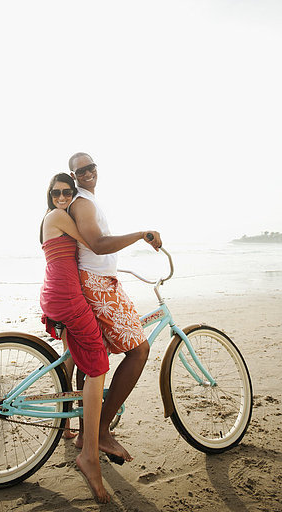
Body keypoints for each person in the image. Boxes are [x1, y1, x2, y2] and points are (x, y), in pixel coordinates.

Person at [68, 153, 162, 463]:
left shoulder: (89, 201)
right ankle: (102, 431)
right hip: (97, 285)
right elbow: (97, 243)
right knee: (139, 350)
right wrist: (139, 234)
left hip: (100, 280)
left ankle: (86, 432)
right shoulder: (82, 203)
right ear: (74, 175)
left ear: (97, 168)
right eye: (80, 170)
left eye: (91, 167)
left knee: (92, 359)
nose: (88, 173)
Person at [39, 172, 110, 503]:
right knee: (97, 364)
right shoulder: (56, 216)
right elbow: (94, 242)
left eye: (68, 192)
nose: (63, 197)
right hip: (67, 296)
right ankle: (90, 455)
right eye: (57, 192)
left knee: (72, 357)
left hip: (56, 292)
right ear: (50, 195)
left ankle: (69, 426)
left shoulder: (55, 217)